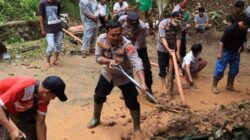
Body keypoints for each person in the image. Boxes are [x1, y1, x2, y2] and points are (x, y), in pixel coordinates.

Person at [87, 21, 147, 132]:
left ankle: (137, 128)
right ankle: (96, 118)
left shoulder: (127, 45)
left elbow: (137, 62)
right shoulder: (101, 39)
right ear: (107, 32)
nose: (116, 37)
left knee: (132, 102)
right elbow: (98, 58)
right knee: (99, 96)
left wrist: (143, 83)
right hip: (108, 73)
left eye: (118, 34)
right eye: (113, 35)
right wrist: (109, 61)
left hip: (125, 76)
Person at [0, 76, 67, 140]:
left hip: (13, 107)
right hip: (2, 106)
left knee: (33, 133)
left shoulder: (44, 98)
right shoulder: (25, 87)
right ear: (47, 92)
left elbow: (40, 122)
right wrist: (12, 130)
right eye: (54, 96)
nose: (53, 99)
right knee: (8, 135)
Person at [212, 16, 250, 94]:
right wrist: (219, 53)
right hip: (226, 51)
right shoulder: (231, 29)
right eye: (248, 26)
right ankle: (214, 86)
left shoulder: (244, 30)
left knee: (234, 69)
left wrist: (242, 47)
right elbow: (221, 42)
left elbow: (242, 40)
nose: (248, 28)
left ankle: (229, 86)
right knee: (220, 69)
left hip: (235, 52)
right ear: (244, 24)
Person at [118, 11, 153, 97]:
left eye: (135, 25)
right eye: (131, 24)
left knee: (146, 69)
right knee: (124, 69)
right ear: (126, 20)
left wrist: (132, 56)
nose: (133, 26)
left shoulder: (142, 27)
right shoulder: (121, 20)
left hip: (139, 48)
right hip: (124, 46)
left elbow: (138, 43)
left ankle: (148, 90)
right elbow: (119, 34)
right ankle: (127, 90)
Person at [157, 11, 182, 94]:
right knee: (162, 66)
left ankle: (170, 82)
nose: (177, 23)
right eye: (176, 21)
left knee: (173, 67)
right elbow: (163, 38)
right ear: (171, 18)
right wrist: (168, 50)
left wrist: (177, 51)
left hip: (173, 47)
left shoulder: (179, 26)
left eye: (179, 21)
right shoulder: (163, 24)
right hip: (162, 48)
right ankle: (163, 85)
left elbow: (178, 39)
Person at [39, 0, 64, 68]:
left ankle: (55, 60)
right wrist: (42, 29)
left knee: (59, 45)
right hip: (48, 28)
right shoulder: (42, 3)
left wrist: (63, 24)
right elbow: (41, 17)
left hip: (58, 27)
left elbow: (58, 15)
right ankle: (48, 61)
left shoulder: (57, 2)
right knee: (51, 46)